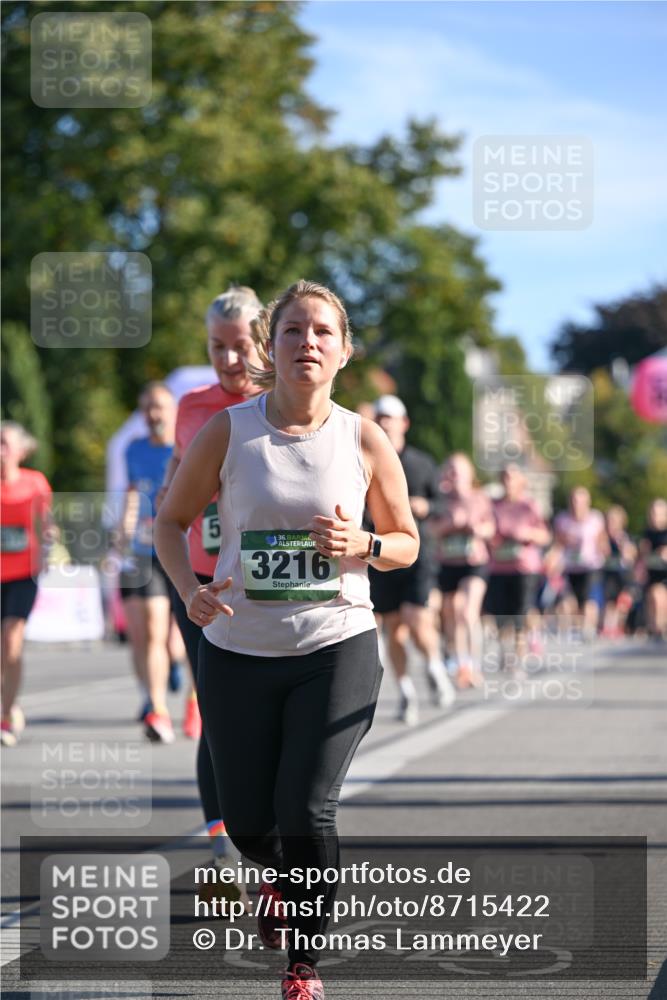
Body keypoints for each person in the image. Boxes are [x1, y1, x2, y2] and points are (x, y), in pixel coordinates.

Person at [155, 279, 419, 1000]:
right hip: (239, 646)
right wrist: (191, 593)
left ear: (343, 351)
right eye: (292, 331)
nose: (307, 342)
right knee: (246, 821)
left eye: (322, 332)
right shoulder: (228, 430)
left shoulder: (360, 436)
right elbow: (169, 524)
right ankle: (271, 873)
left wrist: (361, 542)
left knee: (307, 808)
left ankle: (303, 963)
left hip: (336, 642)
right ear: (270, 348)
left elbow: (406, 544)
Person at [157, 285, 264, 876]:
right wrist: (174, 486)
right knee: (216, 708)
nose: (228, 360)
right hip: (201, 577)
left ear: (261, 342)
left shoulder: (282, 401)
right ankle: (221, 845)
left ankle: (269, 840)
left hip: (263, 585)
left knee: (263, 712)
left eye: (240, 345)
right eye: (217, 347)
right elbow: (180, 470)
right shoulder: (191, 406)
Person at [368, 394, 454, 725]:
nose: (385, 423)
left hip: (416, 552)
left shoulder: (421, 463)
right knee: (393, 628)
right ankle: (405, 691)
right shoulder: (365, 459)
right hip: (380, 553)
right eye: (380, 417)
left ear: (404, 424)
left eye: (390, 417)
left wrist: (426, 507)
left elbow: (442, 505)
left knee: (416, 618)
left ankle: (434, 666)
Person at [119, 382, 179, 743]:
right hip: (145, 552)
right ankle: (155, 706)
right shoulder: (134, 449)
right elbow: (131, 494)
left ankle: (182, 689)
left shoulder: (184, 449)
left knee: (175, 640)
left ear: (172, 410)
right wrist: (122, 533)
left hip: (183, 548)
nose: (153, 415)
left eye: (158, 407)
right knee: (146, 630)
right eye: (147, 409)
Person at [1, 421, 52, 747]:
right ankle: (10, 702)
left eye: (4, 443)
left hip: (23, 573)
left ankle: (5, 715)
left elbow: (47, 522)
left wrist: (50, 539)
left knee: (12, 640)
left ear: (20, 449)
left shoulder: (35, 483)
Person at [431, 453, 495, 689]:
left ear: (469, 475)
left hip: (473, 562)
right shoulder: (441, 500)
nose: (453, 475)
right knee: (452, 616)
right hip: (447, 563)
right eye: (450, 470)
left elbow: (490, 528)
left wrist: (476, 528)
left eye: (457, 470)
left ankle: (475, 666)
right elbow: (429, 530)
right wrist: (449, 525)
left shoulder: (480, 498)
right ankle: (463, 667)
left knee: (468, 613)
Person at [486, 465, 551, 674]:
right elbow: (486, 531)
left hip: (524, 568)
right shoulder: (493, 506)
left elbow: (544, 536)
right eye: (505, 477)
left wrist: (527, 533)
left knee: (520, 613)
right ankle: (507, 654)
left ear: (521, 482)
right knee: (499, 616)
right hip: (498, 567)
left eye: (513, 478)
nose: (508, 482)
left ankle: (518, 657)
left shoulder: (529, 506)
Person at [553, 486, 606, 638]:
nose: (577, 504)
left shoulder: (596, 519)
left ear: (587, 502)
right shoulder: (562, 519)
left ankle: (588, 631)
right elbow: (558, 543)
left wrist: (604, 549)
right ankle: (572, 628)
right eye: (574, 500)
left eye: (580, 501)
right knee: (569, 600)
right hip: (569, 566)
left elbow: (602, 542)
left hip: (591, 566)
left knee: (588, 600)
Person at [600, 505, 636, 638]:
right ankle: (608, 626)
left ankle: (619, 625)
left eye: (614, 521)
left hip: (623, 575)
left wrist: (624, 547)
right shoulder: (602, 538)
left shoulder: (624, 538)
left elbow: (630, 556)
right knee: (609, 600)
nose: (611, 524)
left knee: (622, 600)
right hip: (608, 575)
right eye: (609, 521)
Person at [638, 498, 667, 640]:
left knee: (660, 597)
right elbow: (642, 555)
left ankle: (660, 627)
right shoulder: (647, 533)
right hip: (653, 574)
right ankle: (654, 628)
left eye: (659, 513)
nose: (655, 516)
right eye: (653, 513)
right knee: (654, 597)